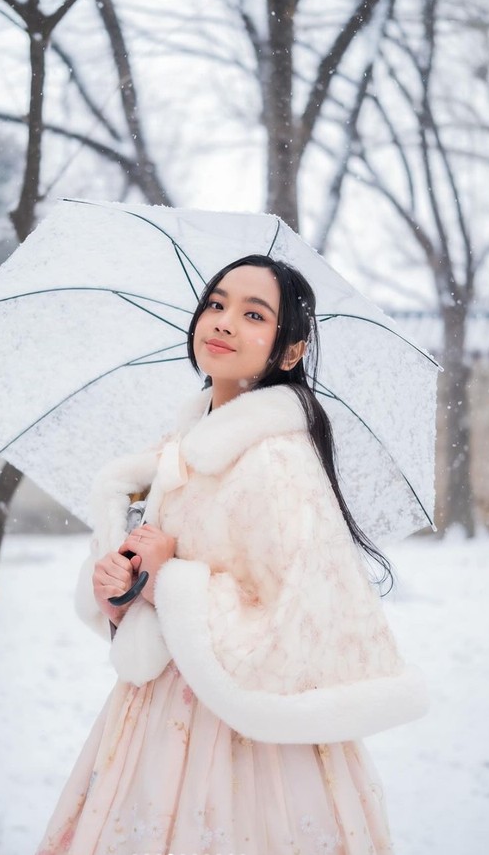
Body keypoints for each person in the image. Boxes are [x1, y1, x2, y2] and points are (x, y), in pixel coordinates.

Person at [35, 255, 429, 855]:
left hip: (249, 740)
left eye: (253, 314)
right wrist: (124, 591)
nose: (222, 322)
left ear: (289, 352)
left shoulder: (275, 458)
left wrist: (169, 577)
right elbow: (165, 591)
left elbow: (296, 619)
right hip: (156, 720)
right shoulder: (182, 447)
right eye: (216, 304)